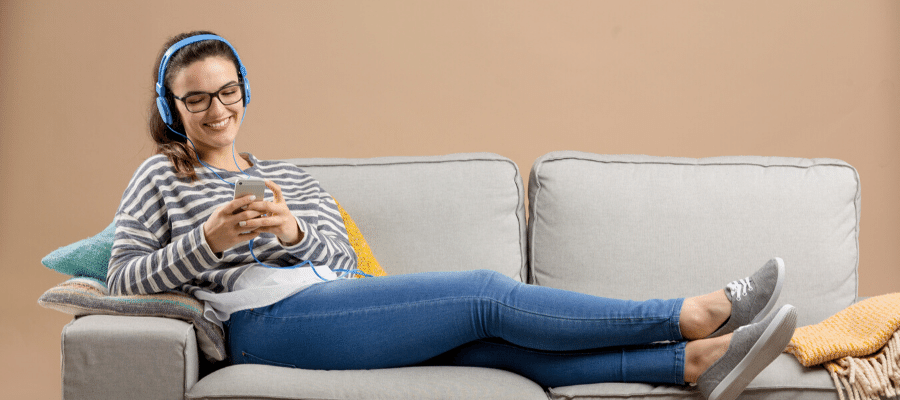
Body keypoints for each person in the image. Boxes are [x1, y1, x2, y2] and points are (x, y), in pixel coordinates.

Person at [108, 30, 798, 400]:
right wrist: (206, 240)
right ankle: (685, 314)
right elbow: (121, 279)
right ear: (173, 109)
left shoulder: (286, 175)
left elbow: (342, 260)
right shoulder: (161, 174)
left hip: (330, 299)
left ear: (244, 91)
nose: (217, 110)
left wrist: (292, 233)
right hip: (261, 326)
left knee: (500, 354)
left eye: (228, 92)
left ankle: (691, 362)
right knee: (484, 294)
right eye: (196, 100)